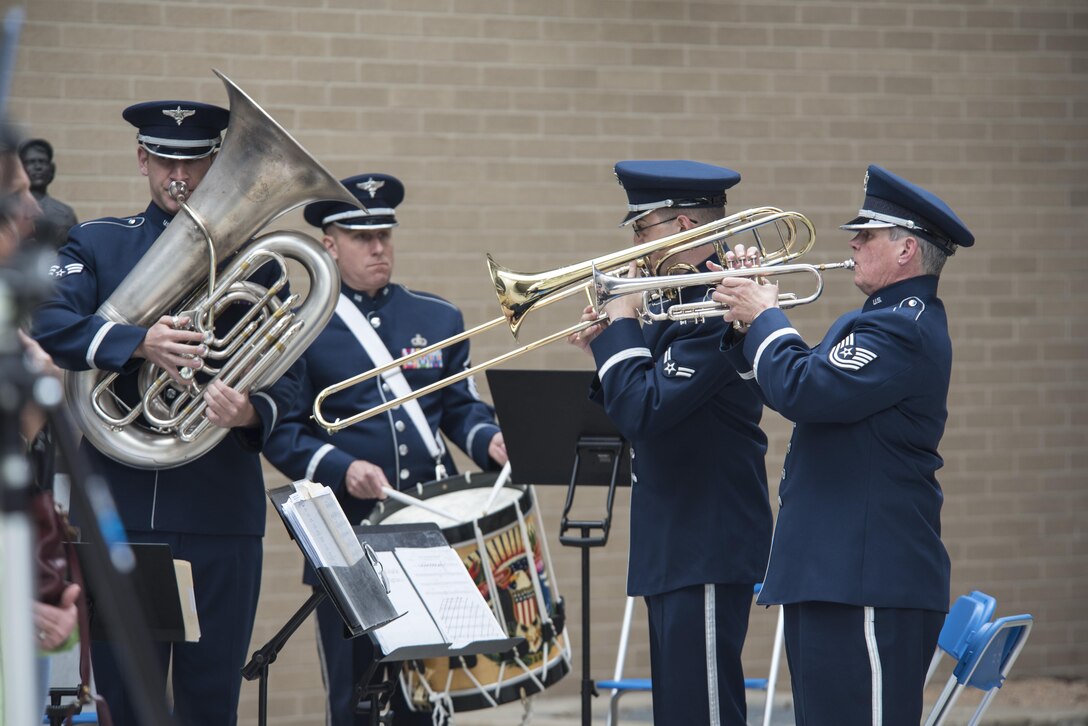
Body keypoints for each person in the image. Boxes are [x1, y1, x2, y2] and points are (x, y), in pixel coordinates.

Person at [31, 100, 302, 726]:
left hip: (219, 516)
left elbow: (289, 389)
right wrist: (138, 342)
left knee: (210, 706)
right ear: (142, 159)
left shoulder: (259, 265)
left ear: (216, 164)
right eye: (165, 160)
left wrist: (249, 413)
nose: (178, 175)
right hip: (120, 515)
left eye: (195, 160)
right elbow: (50, 326)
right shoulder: (99, 243)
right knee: (124, 704)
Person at [712, 164, 974, 724]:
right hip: (835, 574)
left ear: (906, 250)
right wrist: (742, 324)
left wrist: (764, 315)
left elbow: (808, 390)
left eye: (868, 234)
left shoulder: (904, 327)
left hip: (868, 577)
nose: (853, 243)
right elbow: (792, 379)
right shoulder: (871, 323)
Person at [263, 172, 508, 725]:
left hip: (427, 537)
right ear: (329, 243)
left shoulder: (436, 317)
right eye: (360, 237)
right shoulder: (300, 327)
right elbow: (282, 431)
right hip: (344, 537)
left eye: (384, 236)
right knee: (352, 701)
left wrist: (489, 439)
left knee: (427, 699)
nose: (378, 248)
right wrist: (343, 470)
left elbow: (459, 408)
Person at [566, 160, 772, 725]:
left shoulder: (717, 303)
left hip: (706, 537)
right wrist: (609, 340)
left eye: (641, 229)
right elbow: (638, 400)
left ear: (682, 229)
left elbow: (643, 410)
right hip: (676, 538)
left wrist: (621, 326)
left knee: (702, 713)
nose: (632, 248)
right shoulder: (675, 301)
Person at [18, 138, 78, 250]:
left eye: (42, 161)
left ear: (52, 169)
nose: (38, 167)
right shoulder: (8, 210)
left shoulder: (65, 213)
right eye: (31, 162)